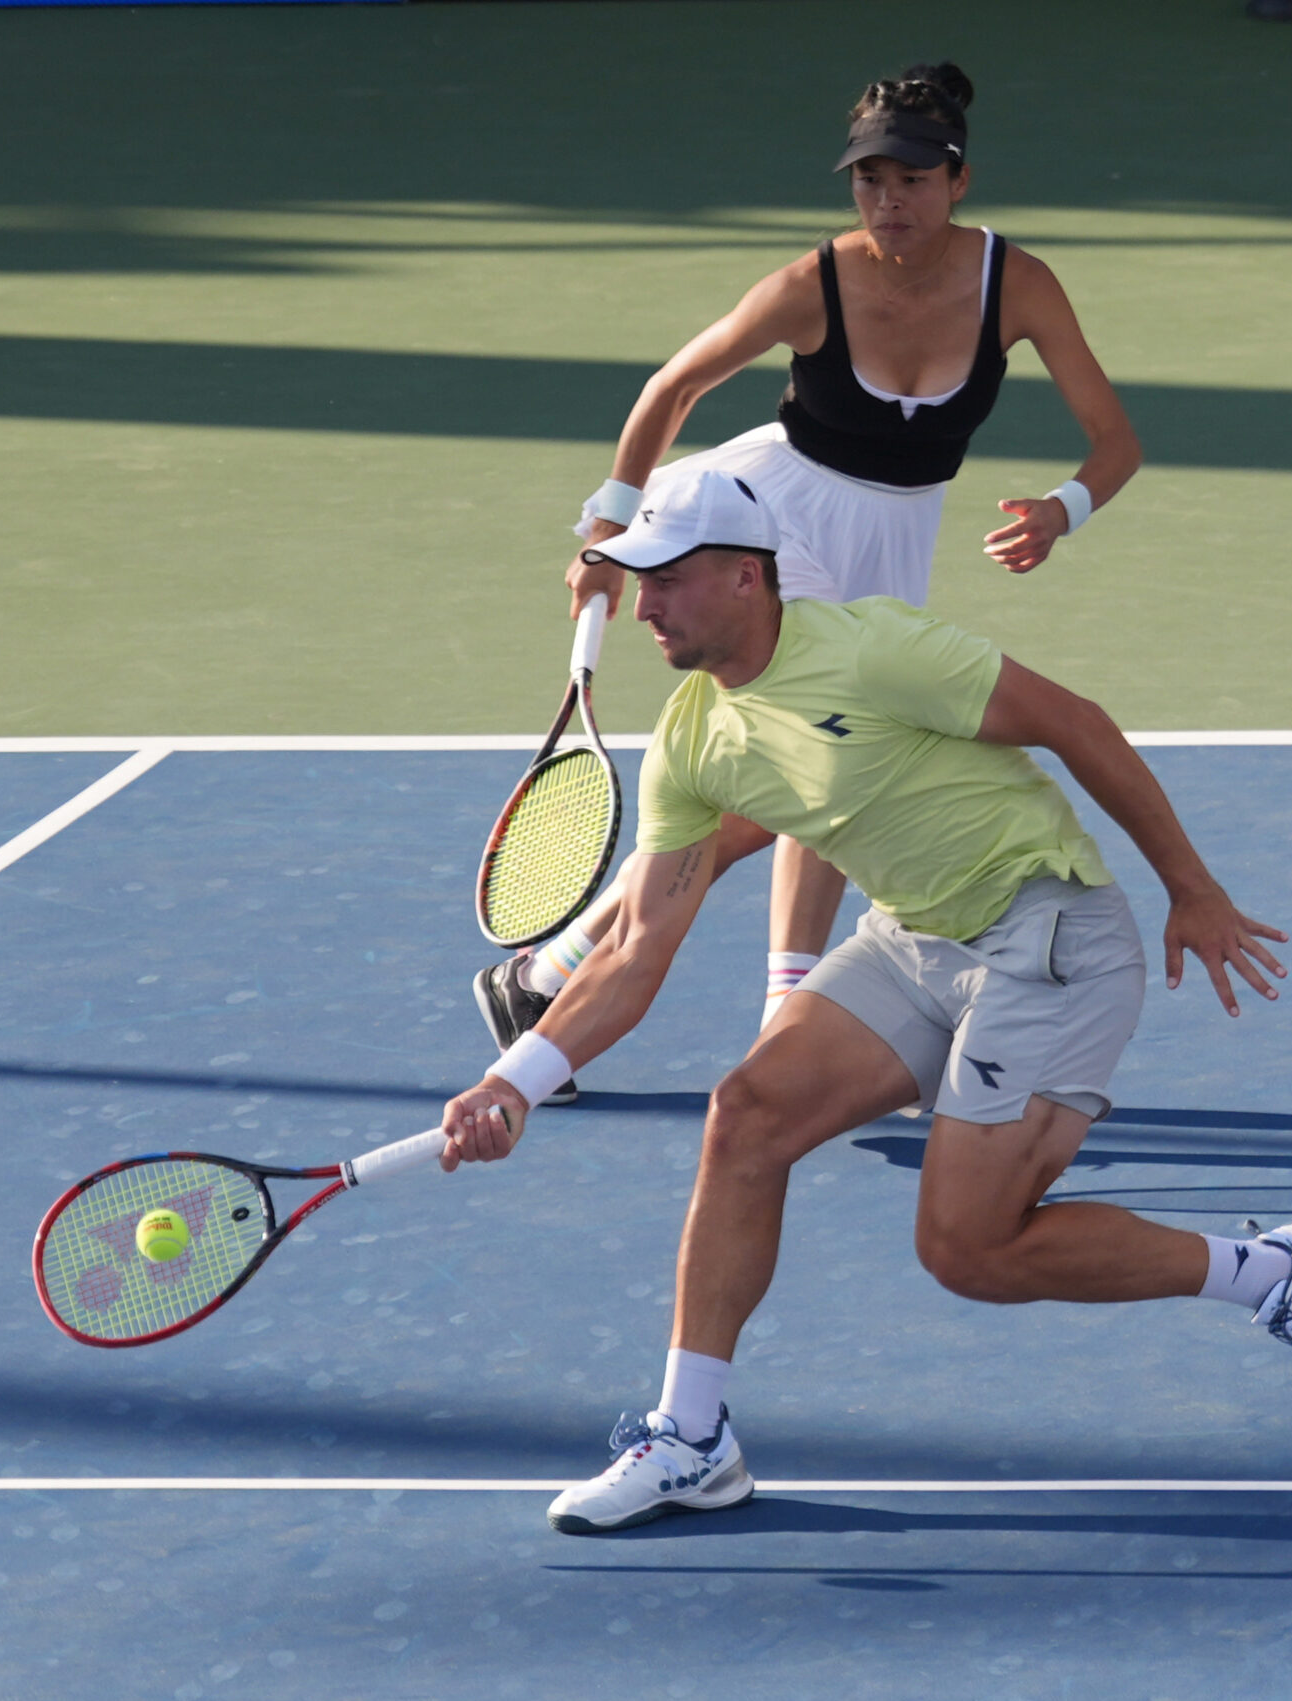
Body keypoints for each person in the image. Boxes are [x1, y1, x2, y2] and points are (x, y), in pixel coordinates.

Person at [433, 471, 1292, 1535]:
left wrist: (1192, 888)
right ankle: (692, 1438)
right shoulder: (694, 739)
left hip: (1049, 940)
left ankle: (1273, 1275)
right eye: (637, 583)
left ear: (746, 578)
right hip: (913, 941)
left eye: (667, 580)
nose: (645, 606)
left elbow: (1074, 724)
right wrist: (515, 1080)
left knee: (968, 1249)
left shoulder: (875, 650)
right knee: (746, 1117)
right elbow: (635, 950)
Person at [473, 61, 1143, 1099]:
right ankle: (783, 1014)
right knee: (817, 762)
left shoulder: (1018, 282)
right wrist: (606, 529)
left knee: (807, 776)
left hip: (893, 540)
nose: (889, 201)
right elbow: (674, 386)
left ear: (957, 181)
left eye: (913, 180)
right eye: (870, 181)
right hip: (768, 518)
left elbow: (1115, 442)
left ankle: (549, 974)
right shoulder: (812, 283)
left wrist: (1064, 509)